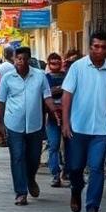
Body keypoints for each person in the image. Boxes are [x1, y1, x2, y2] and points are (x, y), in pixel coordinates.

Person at [62, 31, 106, 212]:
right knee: (76, 167)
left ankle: (93, 207)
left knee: (96, 168)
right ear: (90, 47)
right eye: (96, 46)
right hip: (78, 126)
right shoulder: (77, 68)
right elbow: (67, 96)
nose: (99, 50)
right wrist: (66, 122)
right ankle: (76, 190)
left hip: (101, 129)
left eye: (103, 47)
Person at [0, 47, 59, 206]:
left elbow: (47, 96)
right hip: (13, 124)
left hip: (35, 125)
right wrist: (1, 123)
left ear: (29, 59)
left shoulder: (39, 76)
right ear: (14, 59)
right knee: (17, 157)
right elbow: (0, 101)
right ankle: (21, 192)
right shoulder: (7, 78)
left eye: (24, 59)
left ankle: (31, 178)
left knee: (33, 158)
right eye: (18, 59)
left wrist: (54, 111)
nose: (21, 62)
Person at [43, 52, 67, 186]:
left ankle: (66, 172)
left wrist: (55, 91)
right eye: (52, 63)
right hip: (52, 118)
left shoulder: (67, 77)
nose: (55, 66)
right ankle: (55, 174)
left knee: (69, 147)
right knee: (54, 145)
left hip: (67, 117)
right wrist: (59, 90)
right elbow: (45, 94)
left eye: (58, 63)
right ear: (48, 63)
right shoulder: (45, 78)